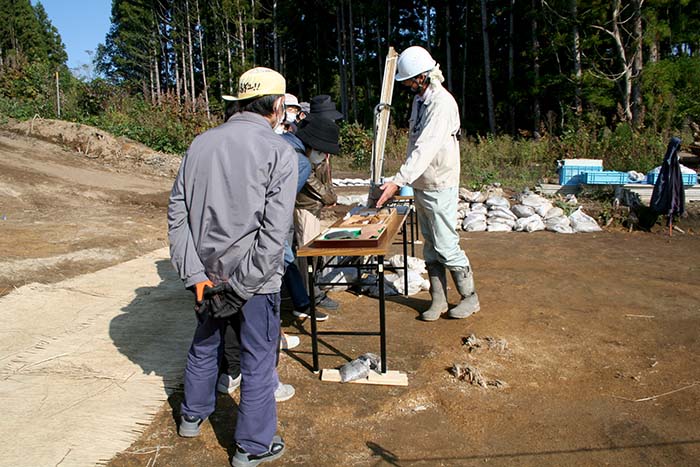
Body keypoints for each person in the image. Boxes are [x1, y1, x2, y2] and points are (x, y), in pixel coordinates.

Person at [168, 66, 296, 466]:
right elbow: (275, 233)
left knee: (206, 343)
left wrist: (194, 275)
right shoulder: (280, 152)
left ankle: (192, 416)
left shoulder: (201, 145)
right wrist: (243, 285)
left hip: (207, 274)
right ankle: (252, 447)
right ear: (277, 106)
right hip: (254, 283)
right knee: (258, 358)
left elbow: (178, 214)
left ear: (238, 102)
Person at [376, 45, 480, 322]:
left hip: (440, 182)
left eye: (409, 80)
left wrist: (398, 181)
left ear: (422, 76)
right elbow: (414, 145)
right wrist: (405, 179)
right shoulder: (419, 101)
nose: (407, 85)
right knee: (431, 245)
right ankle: (438, 299)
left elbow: (427, 146)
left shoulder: (441, 103)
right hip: (423, 182)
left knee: (446, 244)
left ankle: (470, 298)